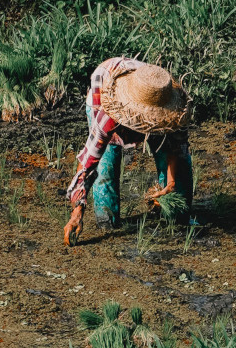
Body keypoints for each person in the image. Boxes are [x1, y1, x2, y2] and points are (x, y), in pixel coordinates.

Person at [64, 59, 193, 246]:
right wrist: (77, 211)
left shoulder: (174, 110)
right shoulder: (109, 113)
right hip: (106, 85)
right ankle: (107, 220)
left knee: (180, 177)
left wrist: (171, 184)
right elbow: (89, 163)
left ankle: (179, 222)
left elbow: (176, 150)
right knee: (106, 164)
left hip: (153, 99)